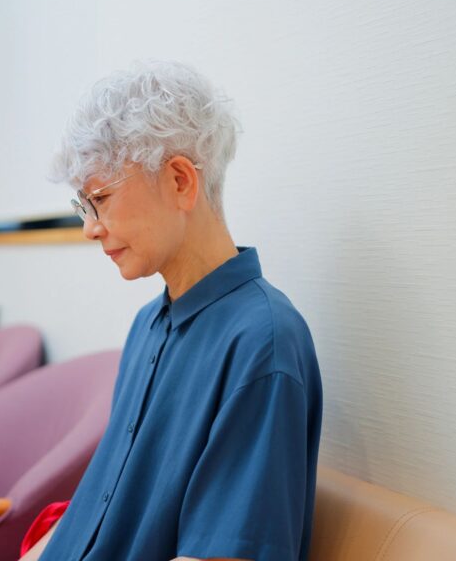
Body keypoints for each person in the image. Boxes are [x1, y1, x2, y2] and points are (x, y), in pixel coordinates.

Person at [22, 62, 323, 560]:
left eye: (100, 199)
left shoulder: (262, 343)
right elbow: (102, 508)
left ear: (181, 181)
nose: (90, 228)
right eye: (84, 207)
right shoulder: (149, 325)